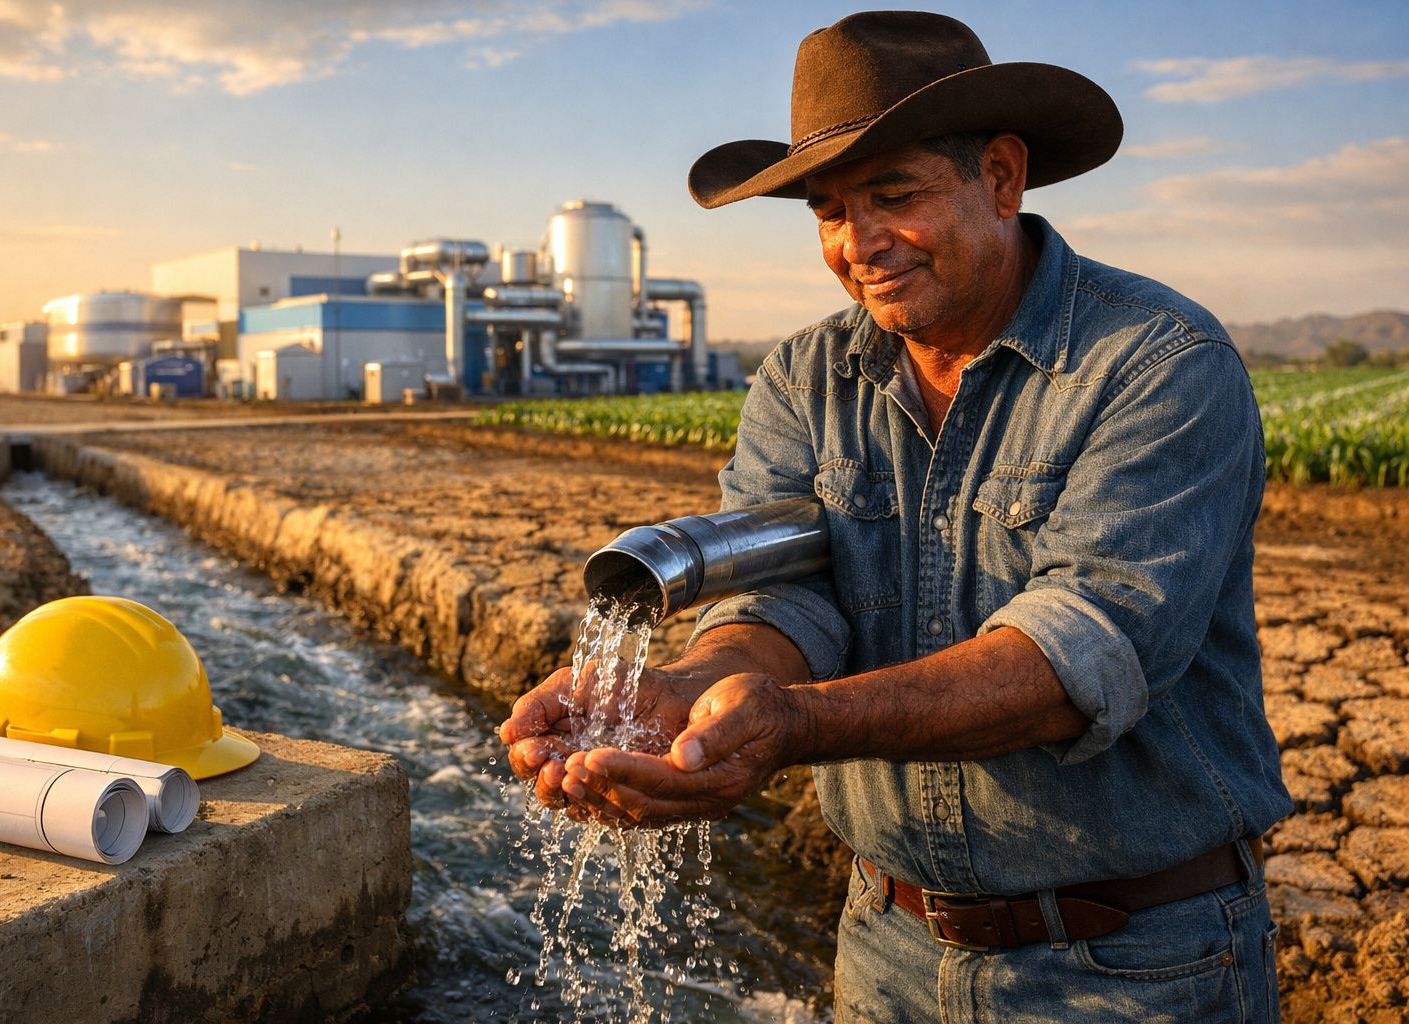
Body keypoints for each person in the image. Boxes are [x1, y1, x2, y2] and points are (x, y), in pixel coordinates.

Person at [501, 11, 1291, 1022]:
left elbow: (1077, 659)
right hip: (889, 943)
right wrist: (695, 686)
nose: (857, 244)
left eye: (893, 196)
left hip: (1135, 964)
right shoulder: (806, 377)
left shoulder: (1153, 363)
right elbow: (790, 600)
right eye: (828, 210)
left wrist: (794, 725)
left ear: (1001, 178)